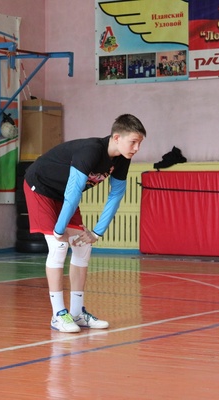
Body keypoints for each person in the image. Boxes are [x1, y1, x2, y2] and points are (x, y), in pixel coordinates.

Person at [23, 114, 146, 333]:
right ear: (117, 137)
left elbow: (116, 195)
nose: (137, 148)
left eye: (140, 143)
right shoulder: (91, 151)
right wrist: (59, 230)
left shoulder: (122, 159)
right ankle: (58, 315)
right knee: (59, 245)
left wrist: (96, 233)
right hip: (40, 187)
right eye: (133, 142)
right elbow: (74, 193)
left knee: (83, 245)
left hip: (61, 195)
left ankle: (77, 313)